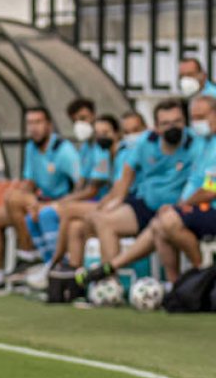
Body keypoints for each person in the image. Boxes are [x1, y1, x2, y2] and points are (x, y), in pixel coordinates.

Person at [78, 97, 214, 287]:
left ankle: (198, 279)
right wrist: (116, 200)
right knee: (100, 219)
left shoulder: (198, 143)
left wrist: (182, 204)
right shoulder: (147, 142)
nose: (173, 127)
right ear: (156, 127)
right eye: (166, 123)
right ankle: (110, 281)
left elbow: (210, 188)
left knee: (163, 222)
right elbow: (127, 172)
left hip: (185, 208)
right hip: (150, 205)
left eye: (178, 122)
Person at [0, 107, 80, 296]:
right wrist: (25, 196)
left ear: (49, 125)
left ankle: (28, 255)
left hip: (59, 204)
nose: (34, 128)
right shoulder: (32, 147)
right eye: (30, 123)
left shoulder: (64, 150)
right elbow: (30, 182)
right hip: (39, 202)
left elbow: (81, 184)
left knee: (13, 199)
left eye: (38, 122)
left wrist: (56, 203)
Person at [24, 99, 108, 267]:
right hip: (87, 202)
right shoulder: (85, 147)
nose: (81, 124)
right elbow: (80, 184)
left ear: (94, 117)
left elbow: (92, 190)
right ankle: (50, 263)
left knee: (49, 213)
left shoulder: (101, 146)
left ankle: (57, 263)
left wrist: (59, 203)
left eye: (84, 118)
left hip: (102, 202)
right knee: (32, 216)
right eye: (76, 120)